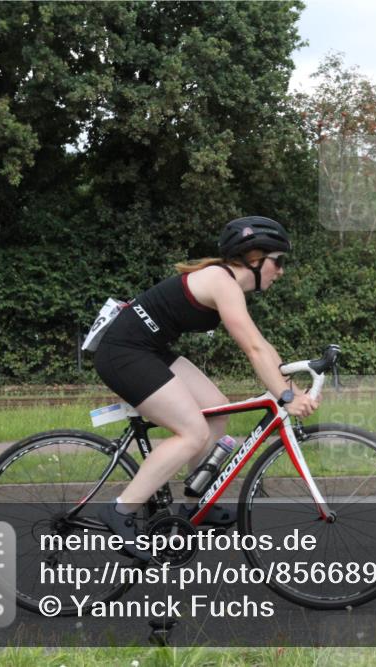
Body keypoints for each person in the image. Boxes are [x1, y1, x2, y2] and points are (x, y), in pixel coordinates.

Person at [93, 216, 320, 561]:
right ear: (254, 258)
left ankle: (192, 505)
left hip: (150, 350)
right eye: (278, 261)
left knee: (217, 409)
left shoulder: (226, 282)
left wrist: (291, 388)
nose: (281, 271)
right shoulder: (220, 281)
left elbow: (261, 344)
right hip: (124, 352)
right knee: (192, 432)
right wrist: (285, 397)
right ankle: (121, 510)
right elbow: (253, 350)